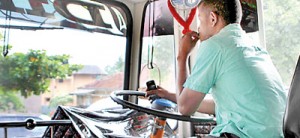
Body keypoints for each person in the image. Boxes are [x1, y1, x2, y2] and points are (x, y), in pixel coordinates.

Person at [140, 0, 287, 137]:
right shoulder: (252, 47)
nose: (198, 27)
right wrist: (168, 95)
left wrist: (182, 56)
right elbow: (218, 104)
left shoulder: (216, 45)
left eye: (199, 19)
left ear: (212, 18)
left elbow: (185, 108)